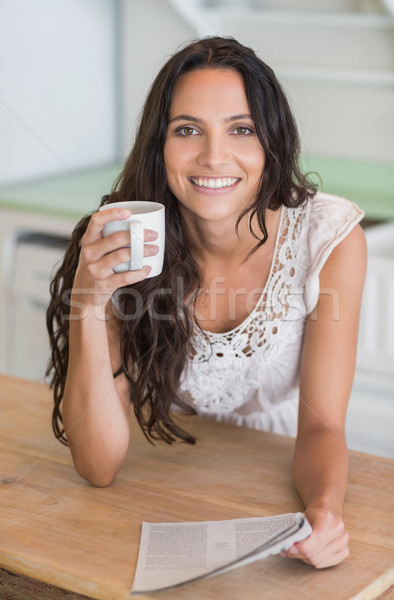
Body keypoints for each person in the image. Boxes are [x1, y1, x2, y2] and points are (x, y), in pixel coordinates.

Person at [46, 36, 367, 569]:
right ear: (159, 145)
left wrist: (323, 511)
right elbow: (97, 467)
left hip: (284, 471)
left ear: (271, 143)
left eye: (241, 129)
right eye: (187, 130)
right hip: (166, 473)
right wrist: (89, 299)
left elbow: (321, 426)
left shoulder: (326, 237)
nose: (213, 156)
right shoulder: (130, 242)